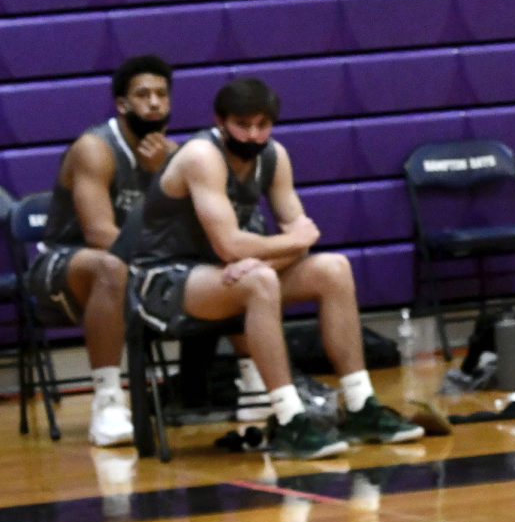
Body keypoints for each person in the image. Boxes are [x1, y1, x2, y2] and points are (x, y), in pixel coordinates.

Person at [128, 76, 424, 460]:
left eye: (262, 125)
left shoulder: (274, 157)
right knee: (262, 280)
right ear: (220, 121)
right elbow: (237, 243)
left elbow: (299, 239)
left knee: (333, 268)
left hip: (232, 274)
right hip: (164, 280)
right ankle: (287, 420)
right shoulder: (201, 156)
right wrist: (275, 251)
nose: (253, 135)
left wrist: (264, 254)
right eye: (243, 125)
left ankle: (360, 405)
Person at [30, 53, 175, 446]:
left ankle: (247, 385)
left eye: (162, 94)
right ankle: (108, 401)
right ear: (122, 104)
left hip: (134, 265)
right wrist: (155, 179)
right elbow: (99, 234)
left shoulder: (172, 155)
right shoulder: (95, 148)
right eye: (143, 95)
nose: (155, 103)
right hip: (62, 265)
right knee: (110, 266)